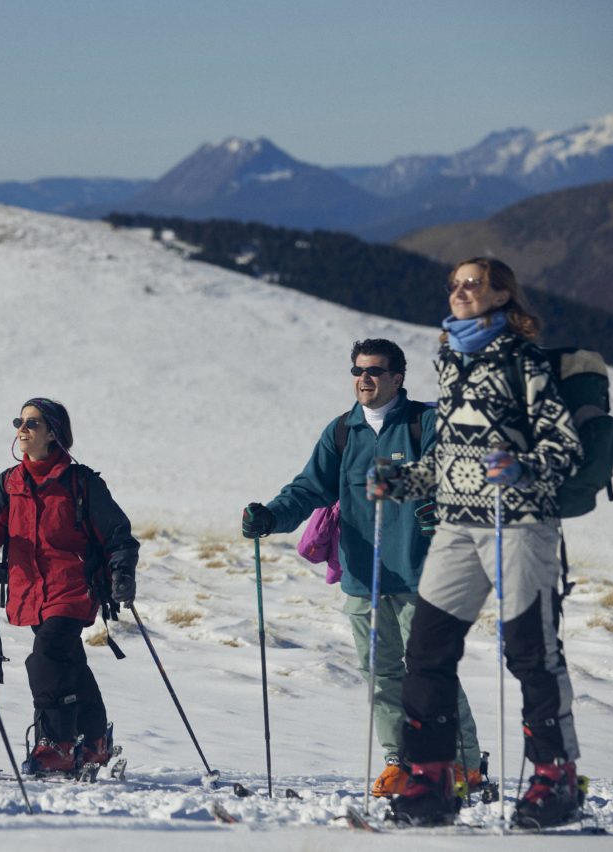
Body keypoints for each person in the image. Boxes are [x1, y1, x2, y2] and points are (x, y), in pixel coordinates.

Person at [368, 257, 584, 827]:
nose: (461, 291)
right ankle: (432, 779)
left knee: (530, 651)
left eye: (474, 283)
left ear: (503, 295)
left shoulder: (525, 360)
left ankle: (555, 778)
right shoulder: (452, 360)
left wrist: (521, 467)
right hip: (458, 525)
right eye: (455, 284)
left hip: (519, 523)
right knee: (428, 653)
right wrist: (404, 481)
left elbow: (564, 448)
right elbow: (446, 458)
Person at [242, 339, 482, 798]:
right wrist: (270, 517)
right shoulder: (342, 432)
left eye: (374, 370)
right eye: (357, 370)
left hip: (422, 574)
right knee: (382, 674)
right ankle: (400, 762)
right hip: (362, 578)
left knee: (430, 674)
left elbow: (450, 472)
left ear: (398, 378)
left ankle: (464, 765)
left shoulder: (425, 423)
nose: (363, 378)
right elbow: (309, 487)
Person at [0, 398, 139, 774]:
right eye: (19, 420)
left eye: (32, 422)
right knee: (69, 662)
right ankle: (95, 741)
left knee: (47, 655)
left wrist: (123, 573)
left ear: (54, 433)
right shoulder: (9, 483)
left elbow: (119, 536)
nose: (22, 428)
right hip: (29, 591)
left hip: (72, 588)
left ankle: (56, 744)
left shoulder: (82, 483)